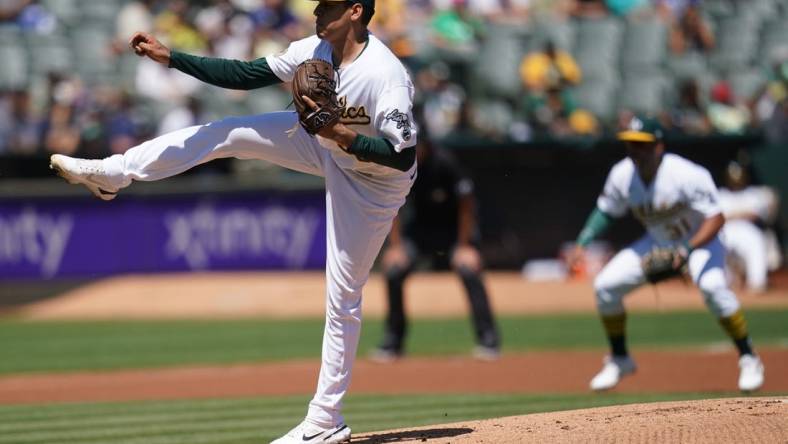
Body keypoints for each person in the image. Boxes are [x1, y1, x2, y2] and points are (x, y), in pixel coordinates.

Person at [49, 0, 417, 442]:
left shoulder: (384, 74)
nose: (318, 10)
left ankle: (325, 422)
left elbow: (403, 155)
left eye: (330, 5)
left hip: (373, 182)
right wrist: (173, 58)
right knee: (229, 131)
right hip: (321, 144)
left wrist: (339, 134)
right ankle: (114, 172)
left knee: (343, 295)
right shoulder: (314, 49)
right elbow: (244, 75)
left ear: (356, 11)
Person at [567, 115, 765, 393]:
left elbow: (716, 218)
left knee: (712, 286)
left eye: (642, 144)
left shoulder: (685, 174)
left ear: (658, 147)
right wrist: (583, 240)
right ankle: (620, 358)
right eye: (631, 144)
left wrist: (687, 249)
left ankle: (748, 357)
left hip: (701, 239)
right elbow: (606, 210)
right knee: (605, 287)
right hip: (658, 241)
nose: (635, 150)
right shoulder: (622, 174)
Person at [371, 131, 500, 362]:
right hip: (420, 231)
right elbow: (392, 206)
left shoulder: (445, 163)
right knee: (393, 271)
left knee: (469, 269)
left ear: (426, 144)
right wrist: (396, 246)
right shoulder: (402, 162)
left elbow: (467, 205)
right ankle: (393, 342)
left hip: (453, 233)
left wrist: (465, 245)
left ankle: (488, 339)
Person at [719, 161, 782, 294]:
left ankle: (757, 283)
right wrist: (739, 214)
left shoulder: (753, 193)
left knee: (756, 242)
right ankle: (725, 283)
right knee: (717, 245)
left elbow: (755, 214)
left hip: (747, 230)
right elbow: (717, 217)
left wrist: (732, 215)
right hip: (726, 230)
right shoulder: (721, 194)